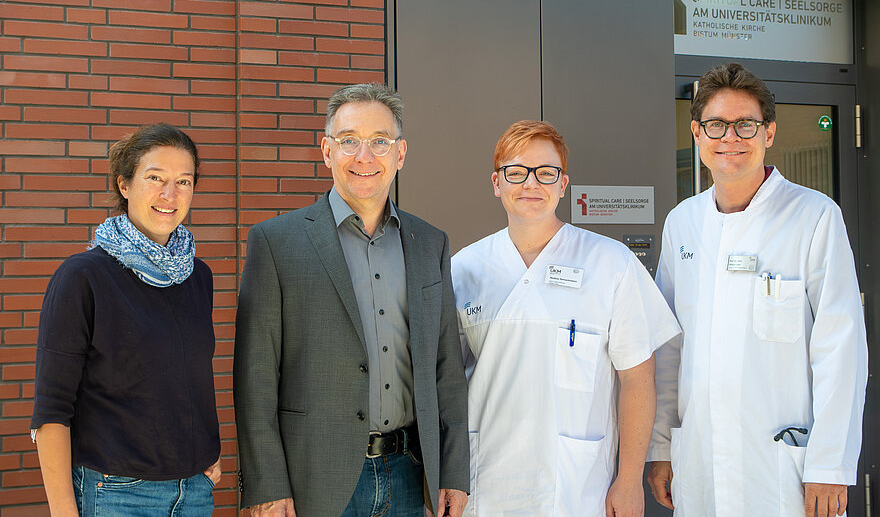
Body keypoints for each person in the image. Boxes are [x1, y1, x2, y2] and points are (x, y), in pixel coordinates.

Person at [233, 83, 469, 517]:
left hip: (409, 474)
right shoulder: (276, 242)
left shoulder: (429, 243)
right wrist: (266, 485)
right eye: (349, 141)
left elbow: (446, 370)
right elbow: (255, 377)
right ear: (327, 151)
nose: (365, 156)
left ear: (400, 153)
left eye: (380, 141)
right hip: (313, 481)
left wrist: (452, 471)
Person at [646, 63, 868, 517]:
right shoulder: (682, 223)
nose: (730, 137)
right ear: (697, 133)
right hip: (701, 460)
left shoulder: (814, 216)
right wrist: (661, 446)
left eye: (745, 124)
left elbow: (840, 348)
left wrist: (829, 463)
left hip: (784, 465)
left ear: (768, 132)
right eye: (716, 125)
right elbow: (668, 349)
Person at [451, 120, 680, 516]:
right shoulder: (464, 269)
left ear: (563, 184)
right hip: (485, 484)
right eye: (516, 172)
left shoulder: (611, 263)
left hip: (579, 487)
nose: (531, 183)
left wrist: (629, 480)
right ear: (496, 182)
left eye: (546, 172)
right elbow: (446, 387)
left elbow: (638, 379)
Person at [30, 124, 221, 517]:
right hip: (115, 494)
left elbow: (189, 379)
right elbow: (51, 410)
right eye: (155, 178)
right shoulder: (83, 277)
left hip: (193, 492)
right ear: (125, 184)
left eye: (183, 181)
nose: (170, 195)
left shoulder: (197, 276)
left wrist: (205, 449)